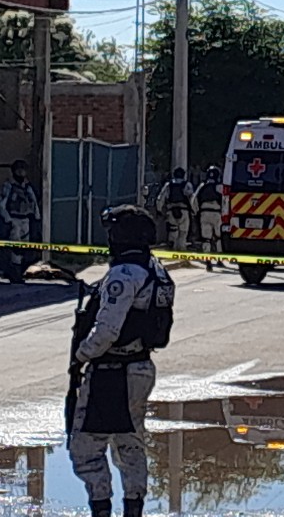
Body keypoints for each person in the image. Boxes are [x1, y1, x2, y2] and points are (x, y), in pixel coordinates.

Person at [69, 205, 174, 517]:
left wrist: (80, 356)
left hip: (112, 372)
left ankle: (100, 507)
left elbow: (107, 331)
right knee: (130, 443)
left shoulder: (124, 275)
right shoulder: (157, 271)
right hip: (140, 368)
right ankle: (134, 508)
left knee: (86, 447)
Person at [0, 159, 40, 284]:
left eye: (23, 170)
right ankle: (14, 272)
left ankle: (19, 271)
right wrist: (8, 219)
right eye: (19, 170)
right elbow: (1, 204)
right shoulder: (8, 186)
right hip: (14, 219)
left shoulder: (27, 187)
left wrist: (36, 218)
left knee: (23, 247)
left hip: (25, 220)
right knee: (15, 247)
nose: (21, 172)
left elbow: (33, 202)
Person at [193, 165, 225, 271]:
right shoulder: (219, 187)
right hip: (216, 213)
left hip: (204, 213)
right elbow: (225, 201)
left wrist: (196, 212)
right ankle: (220, 259)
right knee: (218, 237)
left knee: (206, 238)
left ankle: (208, 262)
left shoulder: (202, 186)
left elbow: (194, 200)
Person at [155, 167, 194, 251]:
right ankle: (182, 252)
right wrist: (194, 211)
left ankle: (172, 251)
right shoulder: (187, 185)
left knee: (173, 233)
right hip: (184, 211)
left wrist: (159, 210)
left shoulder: (168, 185)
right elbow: (192, 199)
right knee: (183, 234)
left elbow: (160, 198)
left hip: (171, 211)